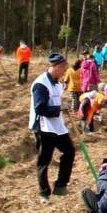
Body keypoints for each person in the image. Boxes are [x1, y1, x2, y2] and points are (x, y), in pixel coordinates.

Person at [31, 53, 75, 202]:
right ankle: (44, 193)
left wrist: (62, 107)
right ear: (55, 67)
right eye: (63, 67)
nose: (65, 70)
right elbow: (40, 109)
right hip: (43, 127)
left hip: (57, 124)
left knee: (69, 151)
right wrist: (59, 108)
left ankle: (61, 185)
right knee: (44, 160)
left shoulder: (57, 82)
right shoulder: (41, 84)